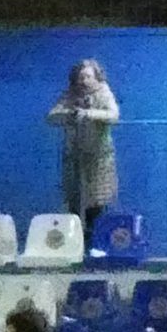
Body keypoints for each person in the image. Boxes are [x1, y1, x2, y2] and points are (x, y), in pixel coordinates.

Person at [46, 59, 120, 220]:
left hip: (99, 159)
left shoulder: (103, 92)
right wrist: (68, 114)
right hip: (74, 158)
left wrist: (90, 114)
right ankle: (77, 239)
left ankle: (95, 240)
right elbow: (51, 117)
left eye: (88, 77)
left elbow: (113, 115)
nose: (84, 81)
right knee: (74, 201)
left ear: (96, 77)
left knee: (97, 202)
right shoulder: (70, 95)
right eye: (81, 77)